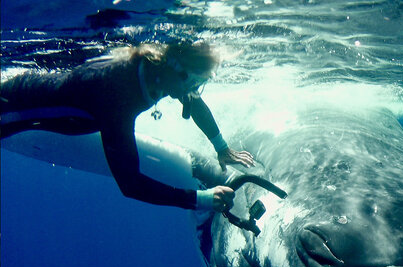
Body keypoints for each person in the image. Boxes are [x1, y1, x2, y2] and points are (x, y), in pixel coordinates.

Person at [0, 40, 254, 212]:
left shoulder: (159, 71)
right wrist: (201, 199)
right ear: (178, 70)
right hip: (10, 108)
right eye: (196, 81)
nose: (195, 90)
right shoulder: (118, 96)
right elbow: (130, 185)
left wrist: (221, 147)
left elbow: (193, 101)